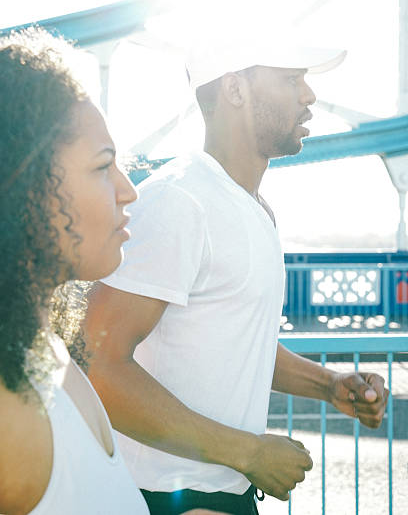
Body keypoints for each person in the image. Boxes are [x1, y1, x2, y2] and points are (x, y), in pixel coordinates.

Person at [85, 33, 389, 515]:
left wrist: (327, 385)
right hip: (164, 499)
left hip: (224, 496)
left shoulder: (253, 208)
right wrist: (247, 453)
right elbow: (97, 364)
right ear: (234, 90)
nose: (309, 95)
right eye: (291, 79)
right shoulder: (179, 202)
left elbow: (235, 342)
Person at [0, 27, 225, 515]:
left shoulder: (47, 355)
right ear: (22, 187)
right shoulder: (8, 411)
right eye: (104, 167)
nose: (130, 190)